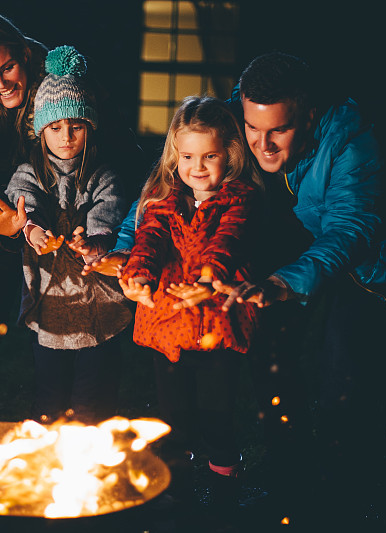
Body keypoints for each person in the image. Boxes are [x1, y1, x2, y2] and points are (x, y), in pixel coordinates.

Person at [213, 51, 386, 521]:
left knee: (344, 375)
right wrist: (123, 242)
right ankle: (290, 477)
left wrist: (283, 282)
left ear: (310, 114)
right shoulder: (236, 115)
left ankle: (350, 495)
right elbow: (173, 172)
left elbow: (350, 229)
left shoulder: (352, 141)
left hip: (368, 271)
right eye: (253, 129)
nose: (262, 145)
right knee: (270, 354)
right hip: (294, 245)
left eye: (279, 131)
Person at [0, 11, 145, 421]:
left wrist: (102, 235)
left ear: (24, 54)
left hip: (76, 237)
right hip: (13, 230)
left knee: (96, 371)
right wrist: (15, 232)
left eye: (7, 67)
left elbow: (118, 163)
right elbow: (2, 198)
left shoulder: (62, 94)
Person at [119, 95, 263, 509]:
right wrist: (139, 273)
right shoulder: (164, 200)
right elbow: (149, 239)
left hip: (218, 324)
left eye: (209, 156)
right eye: (187, 156)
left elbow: (229, 240)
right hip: (169, 326)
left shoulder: (240, 198)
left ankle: (225, 487)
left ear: (230, 154)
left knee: (217, 414)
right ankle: (177, 491)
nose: (197, 168)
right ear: (174, 155)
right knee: (174, 418)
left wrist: (210, 276)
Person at [3, 46, 131, 424]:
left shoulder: (102, 174)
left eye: (76, 125)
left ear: (90, 126)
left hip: (100, 307)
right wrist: (33, 229)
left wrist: (94, 240)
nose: (66, 136)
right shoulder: (31, 171)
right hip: (52, 307)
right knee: (49, 398)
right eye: (55, 127)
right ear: (41, 129)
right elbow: (22, 202)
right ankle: (46, 468)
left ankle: (91, 469)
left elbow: (110, 207)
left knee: (93, 401)